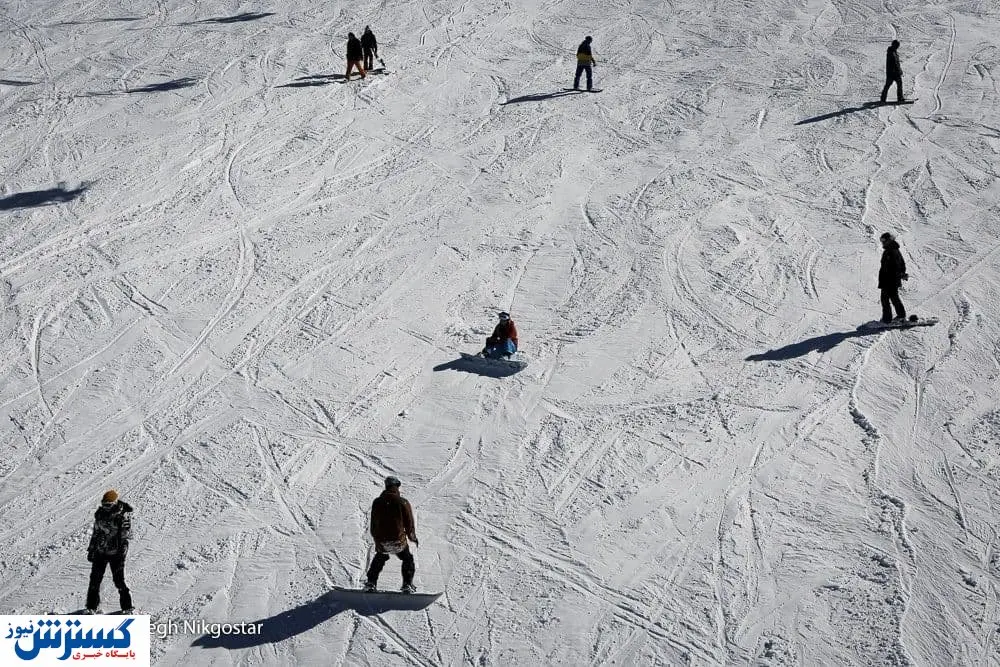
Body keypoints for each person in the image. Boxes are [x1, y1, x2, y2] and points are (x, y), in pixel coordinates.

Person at [364, 476, 418, 593]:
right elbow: (409, 524)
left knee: (380, 557)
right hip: (398, 540)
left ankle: (371, 583)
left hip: (382, 541)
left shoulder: (377, 502)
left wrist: (377, 540)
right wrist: (412, 537)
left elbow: (373, 525)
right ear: (397, 487)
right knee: (407, 558)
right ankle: (407, 584)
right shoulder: (402, 502)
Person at [85, 490, 134, 614]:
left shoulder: (122, 515)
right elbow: (96, 533)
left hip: (116, 553)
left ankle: (127, 607)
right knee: (94, 580)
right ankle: (91, 607)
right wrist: (91, 549)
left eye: (109, 505)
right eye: (104, 505)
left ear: (115, 503)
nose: (106, 508)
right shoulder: (100, 515)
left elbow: (127, 535)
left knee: (119, 581)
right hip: (101, 551)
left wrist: (121, 552)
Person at [878, 232, 908, 323]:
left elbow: (898, 265)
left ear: (889, 240)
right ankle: (899, 316)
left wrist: (899, 275)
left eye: (884, 240)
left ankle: (888, 319)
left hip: (890, 280)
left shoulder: (892, 251)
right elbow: (901, 264)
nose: (882, 242)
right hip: (888, 280)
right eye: (881, 240)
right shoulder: (890, 250)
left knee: (886, 299)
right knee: (892, 298)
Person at [880, 39, 904, 103]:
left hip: (894, 72)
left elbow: (897, 63)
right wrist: (898, 71)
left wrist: (899, 70)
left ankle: (900, 98)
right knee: (888, 85)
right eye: (897, 46)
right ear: (894, 45)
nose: (897, 47)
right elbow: (894, 63)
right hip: (892, 73)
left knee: (899, 84)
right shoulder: (891, 52)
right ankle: (883, 99)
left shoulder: (893, 51)